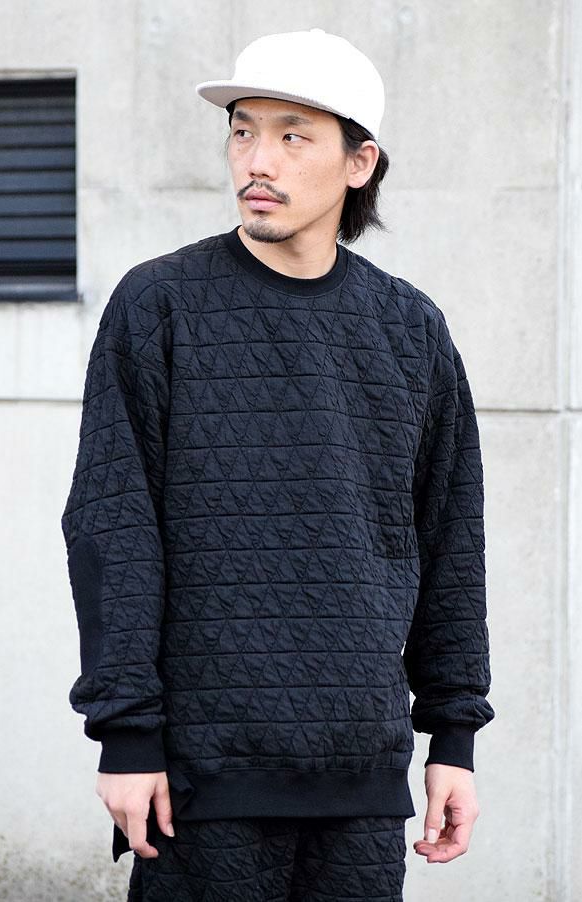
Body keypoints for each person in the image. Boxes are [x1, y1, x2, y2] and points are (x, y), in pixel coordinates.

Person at [61, 28, 495, 901]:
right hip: (201, 774)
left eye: (293, 135)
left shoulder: (410, 328)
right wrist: (126, 736)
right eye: (242, 130)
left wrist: (452, 737)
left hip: (361, 775)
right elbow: (112, 527)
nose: (256, 160)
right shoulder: (159, 305)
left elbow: (450, 539)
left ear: (358, 162)